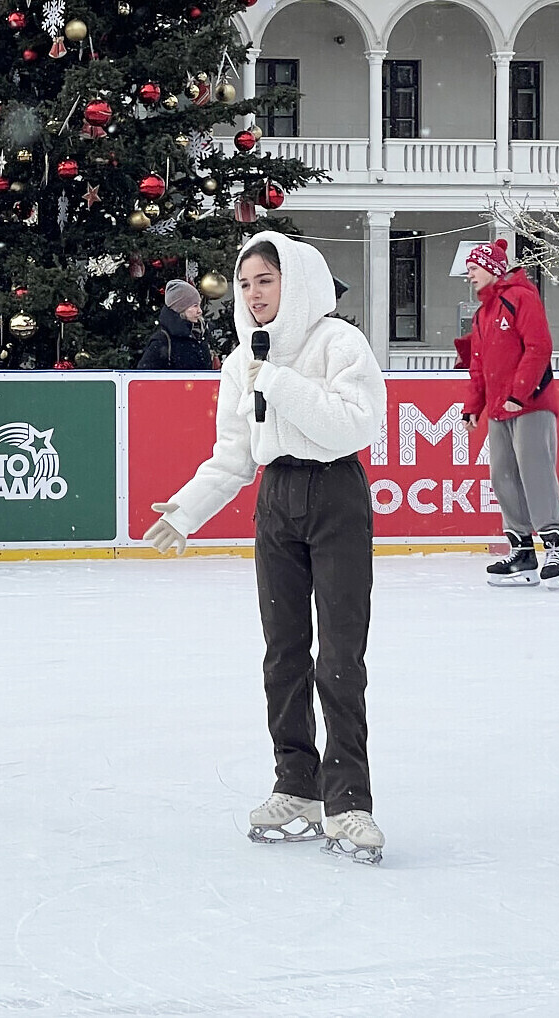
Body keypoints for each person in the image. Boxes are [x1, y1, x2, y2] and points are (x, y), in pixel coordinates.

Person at [143, 231, 389, 864]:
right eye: (246, 284)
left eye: (266, 281)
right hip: (276, 501)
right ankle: (297, 786)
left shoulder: (339, 342)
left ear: (297, 281)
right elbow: (232, 455)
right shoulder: (237, 363)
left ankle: (349, 801)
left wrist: (276, 380)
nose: (253, 295)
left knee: (339, 654)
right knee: (282, 652)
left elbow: (355, 423)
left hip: (336, 494)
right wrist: (187, 509)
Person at [456, 238, 559, 589]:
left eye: (474, 270)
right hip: (498, 410)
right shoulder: (482, 314)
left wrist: (519, 395)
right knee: (502, 475)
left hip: (530, 405)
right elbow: (477, 366)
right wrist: (472, 407)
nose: (470, 276)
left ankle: (557, 547)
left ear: (493, 269)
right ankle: (522, 550)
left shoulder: (521, 297)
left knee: (535, 472)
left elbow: (539, 347)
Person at [136, 279, 213, 370]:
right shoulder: (162, 341)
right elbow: (145, 379)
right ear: (180, 308)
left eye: (199, 305)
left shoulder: (200, 336)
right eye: (195, 306)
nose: (200, 311)